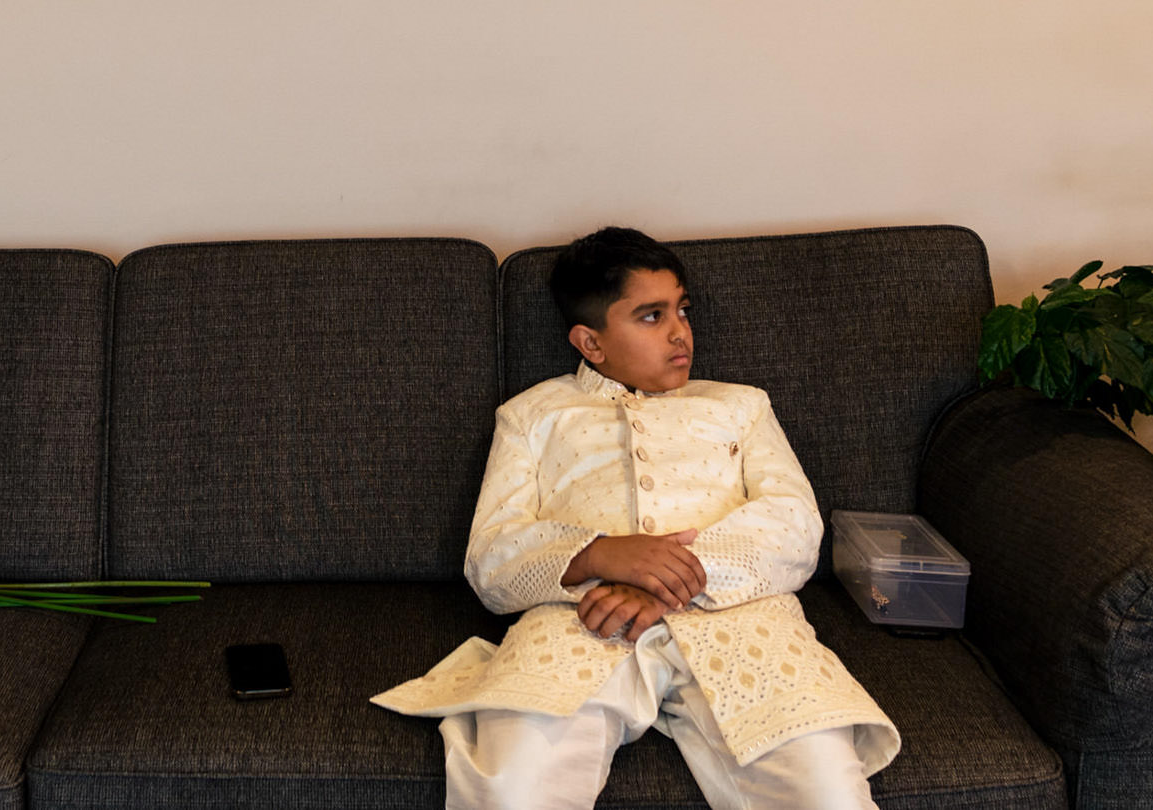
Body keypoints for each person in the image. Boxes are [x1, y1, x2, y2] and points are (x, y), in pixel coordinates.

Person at [374, 226, 899, 810]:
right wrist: (600, 554)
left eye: (682, 309)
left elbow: (796, 526)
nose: (680, 331)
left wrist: (671, 576)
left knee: (825, 795)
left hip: (745, 624)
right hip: (583, 623)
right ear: (590, 343)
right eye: (651, 316)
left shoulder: (741, 406)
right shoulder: (531, 417)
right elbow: (491, 560)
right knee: (513, 789)